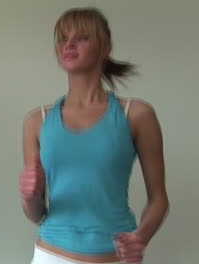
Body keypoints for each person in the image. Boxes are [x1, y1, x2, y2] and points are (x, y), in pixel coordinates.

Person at [19, 8, 169, 264]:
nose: (69, 44)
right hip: (52, 255)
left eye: (83, 37)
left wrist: (140, 238)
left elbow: (159, 200)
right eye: (62, 38)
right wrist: (29, 196)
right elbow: (36, 214)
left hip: (115, 256)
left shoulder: (137, 114)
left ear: (105, 48)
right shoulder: (36, 121)